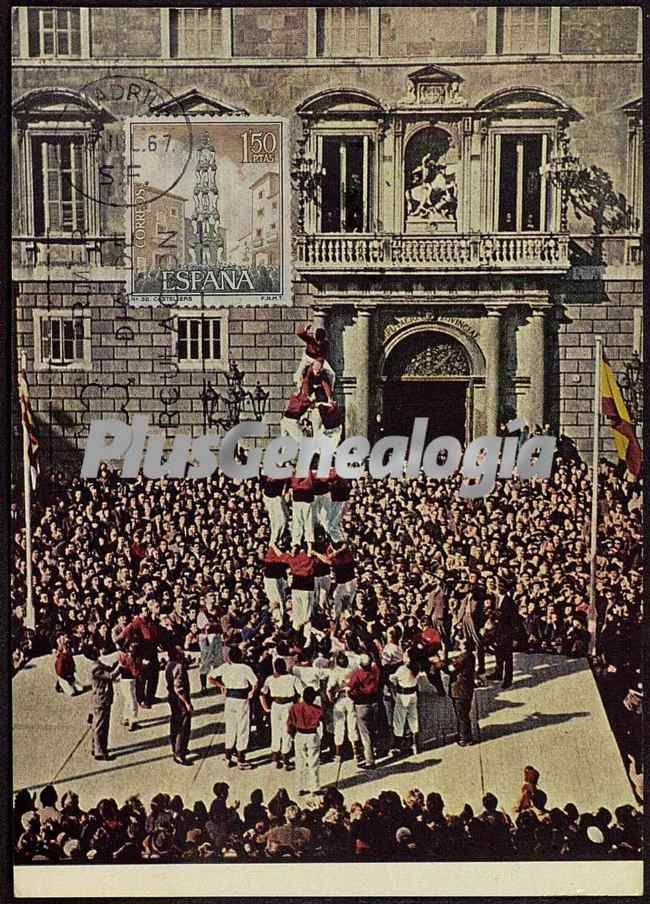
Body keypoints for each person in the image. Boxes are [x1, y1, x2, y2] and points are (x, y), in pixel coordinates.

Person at [209, 646, 258, 770]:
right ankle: (241, 759)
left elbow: (210, 678)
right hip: (241, 699)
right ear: (241, 656)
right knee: (242, 728)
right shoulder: (245, 668)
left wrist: (221, 686)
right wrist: (252, 692)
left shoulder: (225, 667)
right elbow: (255, 683)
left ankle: (228, 757)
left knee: (230, 727)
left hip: (230, 699)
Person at [260, 658, 300, 769]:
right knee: (286, 730)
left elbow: (262, 693)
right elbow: (301, 692)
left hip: (276, 706)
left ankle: (276, 758)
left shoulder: (270, 679)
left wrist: (265, 707)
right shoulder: (292, 679)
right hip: (287, 705)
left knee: (276, 730)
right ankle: (285, 758)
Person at [287, 686, 324, 796]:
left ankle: (300, 787)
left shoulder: (295, 707)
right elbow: (322, 719)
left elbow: (290, 723)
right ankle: (314, 787)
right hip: (311, 734)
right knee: (313, 762)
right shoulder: (317, 709)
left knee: (299, 762)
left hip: (299, 734)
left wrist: (292, 734)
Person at [347, 652, 380, 768]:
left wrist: (353, 696)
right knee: (373, 729)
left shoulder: (357, 674)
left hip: (362, 704)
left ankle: (370, 760)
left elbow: (350, 689)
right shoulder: (375, 671)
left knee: (365, 734)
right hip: (374, 702)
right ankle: (375, 751)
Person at [326, 651, 358, 762]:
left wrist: (332, 699)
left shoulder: (334, 672)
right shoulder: (352, 670)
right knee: (352, 725)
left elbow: (329, 689)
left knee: (339, 726)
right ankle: (356, 752)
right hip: (351, 698)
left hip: (340, 699)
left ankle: (338, 754)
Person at [165, 647, 193, 766]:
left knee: (175, 723)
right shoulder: (179, 667)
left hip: (172, 697)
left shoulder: (169, 665)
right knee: (183, 726)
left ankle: (175, 747)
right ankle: (179, 753)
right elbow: (179, 688)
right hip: (180, 700)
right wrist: (187, 703)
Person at [89, 654, 120, 761]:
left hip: (101, 699)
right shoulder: (96, 669)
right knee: (101, 726)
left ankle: (96, 747)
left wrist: (116, 664)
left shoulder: (98, 665)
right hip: (101, 700)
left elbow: (109, 669)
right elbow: (110, 675)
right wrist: (120, 666)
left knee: (98, 724)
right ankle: (100, 751)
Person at [389, 655, 421, 756]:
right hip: (413, 694)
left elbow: (392, 678)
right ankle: (415, 743)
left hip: (403, 696)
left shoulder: (402, 669)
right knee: (413, 718)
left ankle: (397, 746)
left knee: (399, 720)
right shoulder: (416, 667)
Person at [448, 639, 476, 747]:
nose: (458, 643)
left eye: (461, 642)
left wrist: (443, 663)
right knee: (464, 714)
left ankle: (465, 738)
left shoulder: (463, 658)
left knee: (461, 715)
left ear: (464, 646)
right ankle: (463, 734)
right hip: (467, 689)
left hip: (460, 690)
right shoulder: (470, 656)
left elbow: (451, 669)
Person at [489, 588, 519, 689]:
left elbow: (514, 620)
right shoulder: (495, 599)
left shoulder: (510, 602)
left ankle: (508, 679)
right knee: (498, 654)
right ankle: (498, 673)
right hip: (497, 631)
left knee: (508, 658)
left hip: (507, 633)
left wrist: (515, 637)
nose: (499, 588)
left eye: (502, 586)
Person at [294, 323, 335, 389]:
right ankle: (299, 390)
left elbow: (323, 355)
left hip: (318, 359)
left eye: (320, 341)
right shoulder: (310, 340)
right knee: (299, 373)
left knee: (332, 374)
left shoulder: (325, 344)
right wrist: (305, 328)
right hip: (307, 358)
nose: (318, 343)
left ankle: (330, 390)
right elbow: (299, 333)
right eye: (317, 340)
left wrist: (318, 363)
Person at [117, 640, 142, 730]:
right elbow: (135, 672)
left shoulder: (122, 656)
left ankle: (126, 717)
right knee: (133, 701)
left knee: (127, 700)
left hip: (123, 680)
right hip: (130, 680)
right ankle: (133, 721)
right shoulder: (133, 658)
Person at [261, 476, 289, 551]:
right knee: (280, 521)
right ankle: (274, 542)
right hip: (272, 497)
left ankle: (275, 541)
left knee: (285, 517)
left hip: (277, 496)